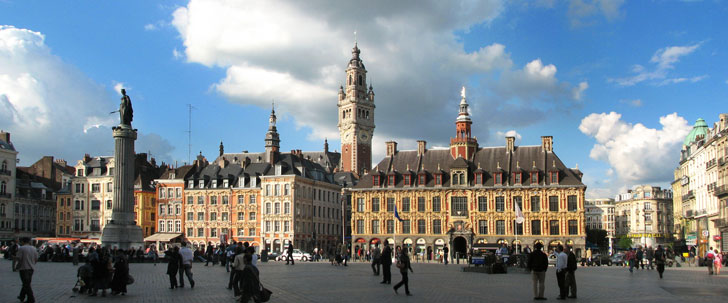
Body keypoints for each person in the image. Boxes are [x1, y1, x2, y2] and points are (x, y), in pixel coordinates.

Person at [15, 237, 38, 303]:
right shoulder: (34, 248)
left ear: (22, 241)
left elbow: (19, 259)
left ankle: (31, 299)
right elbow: (36, 259)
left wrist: (17, 266)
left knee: (26, 284)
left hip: (24, 268)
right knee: (26, 283)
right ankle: (21, 296)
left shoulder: (21, 248)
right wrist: (32, 264)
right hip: (31, 268)